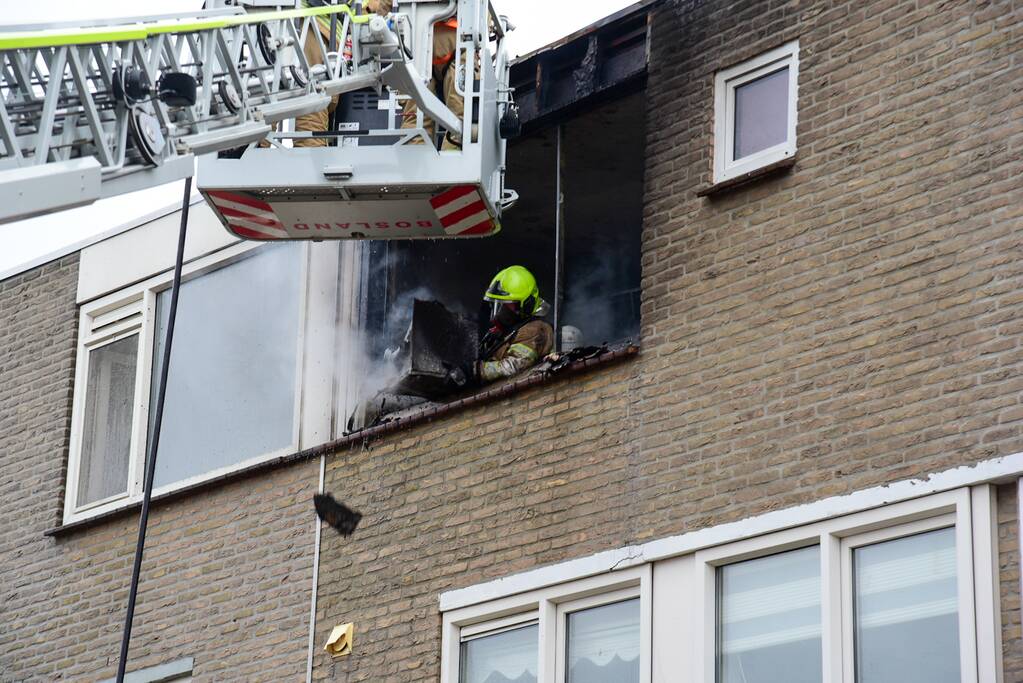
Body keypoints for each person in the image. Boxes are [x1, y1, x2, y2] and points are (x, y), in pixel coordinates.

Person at [477, 266, 554, 383]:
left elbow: (514, 365)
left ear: (527, 304)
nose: (501, 311)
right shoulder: (505, 332)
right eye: (498, 304)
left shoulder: (535, 329)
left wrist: (477, 370)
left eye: (506, 304)